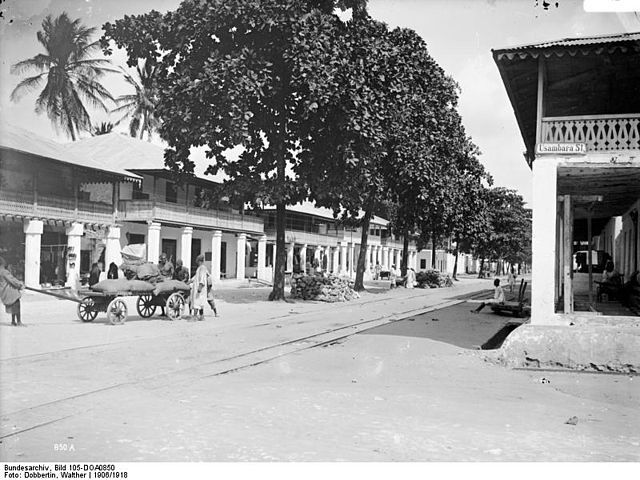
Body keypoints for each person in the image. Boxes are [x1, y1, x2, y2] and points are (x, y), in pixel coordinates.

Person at [190, 254, 218, 320]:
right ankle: (202, 316)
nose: (196, 261)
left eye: (197, 260)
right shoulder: (199, 268)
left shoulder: (202, 268)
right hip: (199, 288)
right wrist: (190, 281)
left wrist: (200, 287)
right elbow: (196, 277)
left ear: (199, 261)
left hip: (200, 288)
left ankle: (194, 317)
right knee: (200, 303)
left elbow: (202, 278)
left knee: (197, 302)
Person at [0, 257, 25, 326]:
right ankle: (19, 322)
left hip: (4, 292)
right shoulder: (4, 271)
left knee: (13, 306)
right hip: (10, 291)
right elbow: (12, 280)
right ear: (2, 263)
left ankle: (13, 321)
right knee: (16, 305)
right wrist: (20, 284)